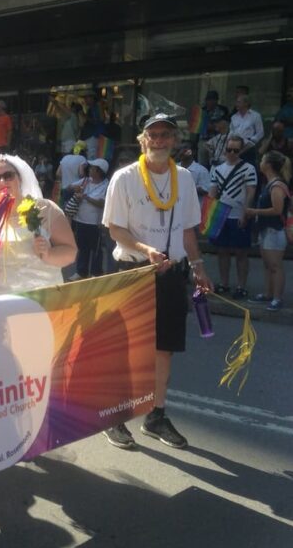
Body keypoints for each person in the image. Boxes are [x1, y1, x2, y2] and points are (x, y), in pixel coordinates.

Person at [102, 113, 211, 450]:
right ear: (143, 140)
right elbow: (114, 228)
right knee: (127, 350)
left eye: (166, 135)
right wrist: (145, 248)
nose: (160, 141)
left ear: (175, 140)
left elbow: (190, 229)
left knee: (164, 349)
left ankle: (156, 416)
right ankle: (115, 417)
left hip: (171, 275)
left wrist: (198, 267)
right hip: (133, 272)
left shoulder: (185, 179)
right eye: (154, 135)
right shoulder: (125, 178)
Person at [0, 154, 76, 299]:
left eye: (8, 175)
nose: (2, 181)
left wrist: (48, 254)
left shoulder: (45, 209)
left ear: (19, 178)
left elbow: (70, 252)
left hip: (38, 298)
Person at [208, 134, 257, 299]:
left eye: (235, 150)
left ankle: (241, 286)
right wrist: (208, 216)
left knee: (241, 252)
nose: (232, 153)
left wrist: (245, 212)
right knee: (222, 251)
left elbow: (251, 192)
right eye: (229, 149)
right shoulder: (217, 169)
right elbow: (212, 193)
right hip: (221, 215)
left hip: (238, 215)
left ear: (240, 150)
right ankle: (224, 283)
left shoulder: (249, 168)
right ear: (225, 149)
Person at [244, 151, 289, 311]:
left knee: (275, 265)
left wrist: (254, 212)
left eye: (263, 160)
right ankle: (268, 293)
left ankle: (277, 298)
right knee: (268, 264)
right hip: (266, 230)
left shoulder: (277, 185)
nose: (260, 162)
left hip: (274, 230)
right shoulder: (270, 183)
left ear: (268, 165)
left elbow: (277, 209)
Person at [68, 158, 109, 279]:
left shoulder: (107, 185)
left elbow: (103, 204)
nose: (90, 170)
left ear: (99, 171)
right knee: (82, 247)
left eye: (93, 168)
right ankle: (81, 272)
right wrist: (74, 188)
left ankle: (96, 273)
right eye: (90, 167)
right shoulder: (86, 180)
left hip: (95, 223)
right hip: (80, 220)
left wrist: (86, 198)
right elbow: (69, 187)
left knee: (96, 249)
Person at [230, 94, 264, 166]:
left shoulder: (255, 116)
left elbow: (260, 132)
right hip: (235, 147)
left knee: (249, 167)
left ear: (246, 103)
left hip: (249, 147)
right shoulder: (234, 117)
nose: (236, 104)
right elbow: (231, 131)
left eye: (239, 102)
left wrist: (251, 141)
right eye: (236, 102)